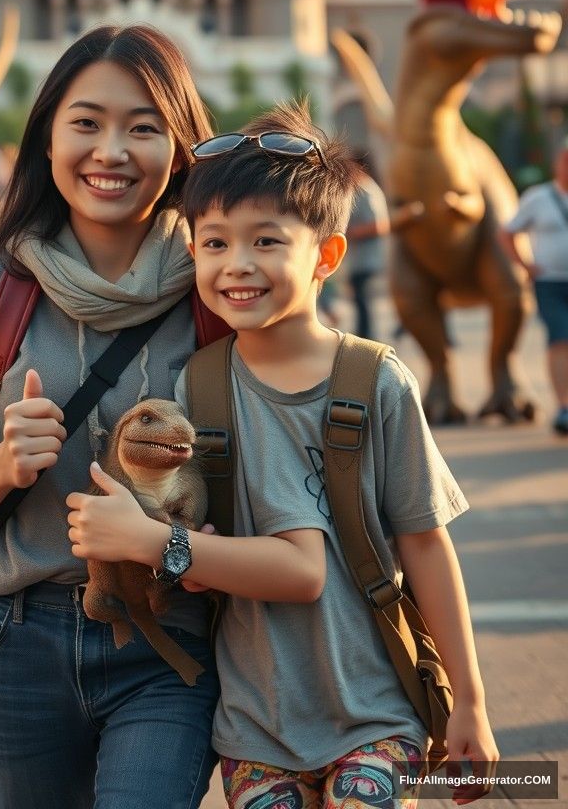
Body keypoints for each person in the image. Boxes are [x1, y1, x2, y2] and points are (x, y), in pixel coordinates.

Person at [68, 101, 498, 809]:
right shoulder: (197, 385)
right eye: (213, 244)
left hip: (375, 712)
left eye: (266, 242)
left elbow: (424, 544)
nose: (237, 264)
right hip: (254, 730)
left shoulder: (377, 380)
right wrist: (180, 553)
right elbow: (210, 540)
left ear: (326, 254)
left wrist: (471, 703)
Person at [0, 26, 221, 809]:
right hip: (21, 642)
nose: (110, 149)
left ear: (180, 151)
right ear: (47, 138)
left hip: (169, 638)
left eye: (143, 126)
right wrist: (0, 465)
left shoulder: (220, 298)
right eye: (86, 122)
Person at [500, 137, 568, 436]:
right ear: (558, 164)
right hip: (550, 281)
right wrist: (525, 265)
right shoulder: (538, 198)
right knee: (560, 340)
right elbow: (508, 232)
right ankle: (564, 406)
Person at [342, 153, 389, 340]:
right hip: (359, 258)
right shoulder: (360, 189)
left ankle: (367, 337)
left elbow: (380, 225)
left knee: (363, 301)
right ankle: (364, 335)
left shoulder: (366, 189)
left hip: (367, 258)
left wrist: (350, 233)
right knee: (360, 300)